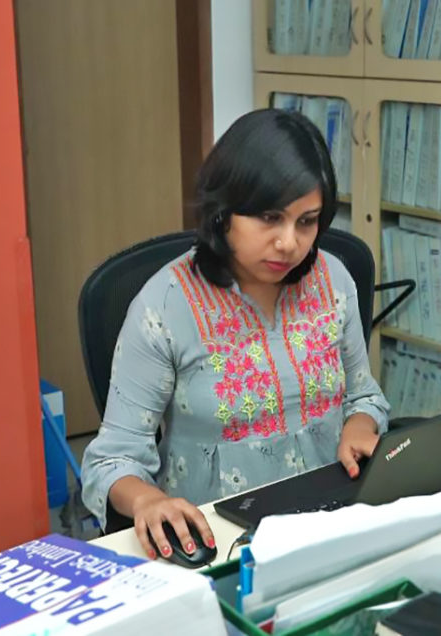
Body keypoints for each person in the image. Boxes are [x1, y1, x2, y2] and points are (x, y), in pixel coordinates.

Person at [81, 108, 390, 560]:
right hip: (219, 542)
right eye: (269, 217)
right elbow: (113, 459)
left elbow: (363, 396)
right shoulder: (165, 306)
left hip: (330, 522)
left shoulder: (333, 280)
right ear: (223, 211)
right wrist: (147, 500)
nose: (289, 242)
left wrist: (360, 425)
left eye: (307, 221)